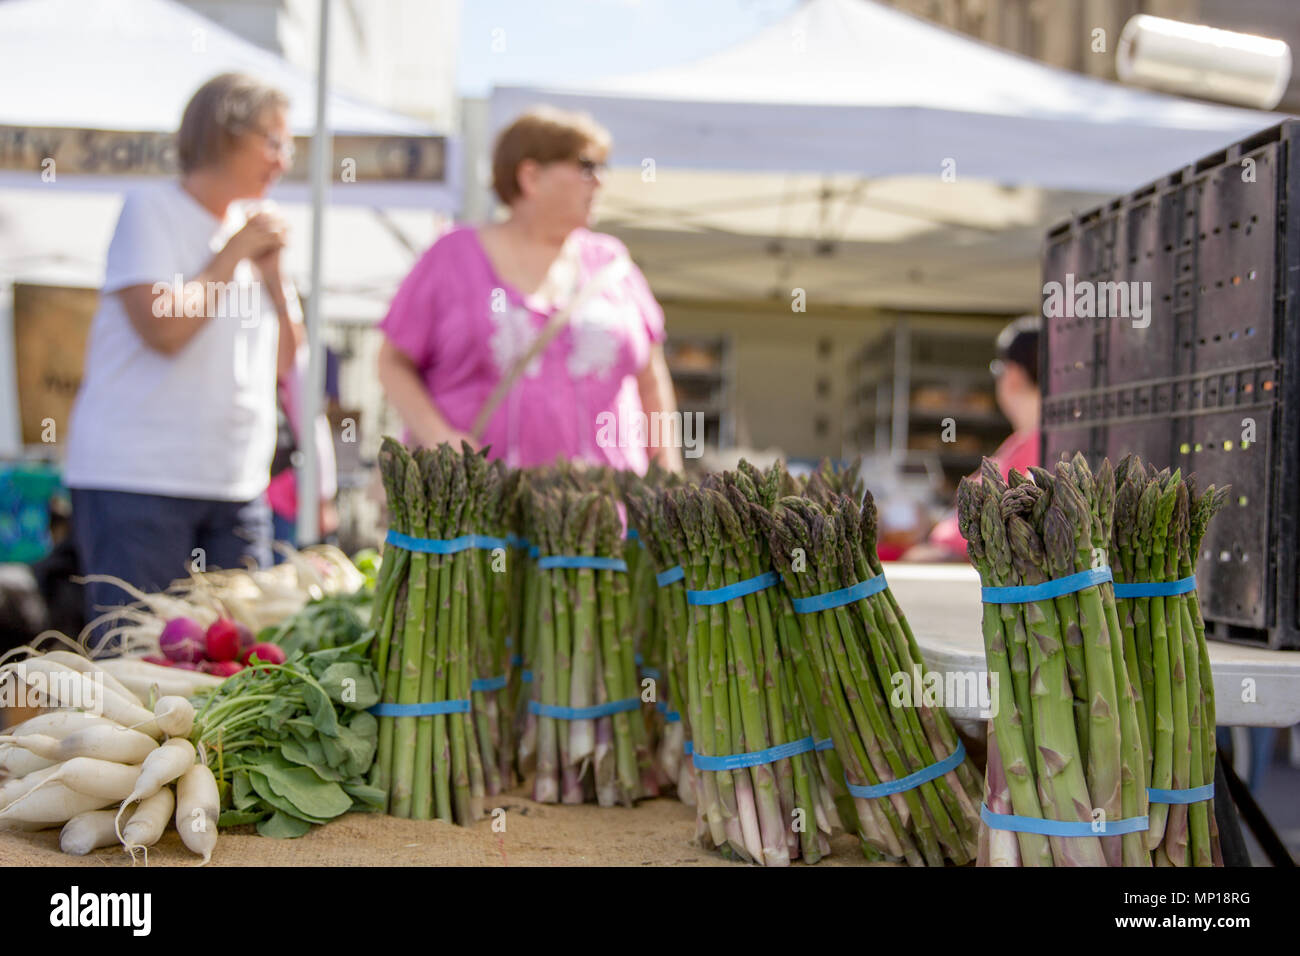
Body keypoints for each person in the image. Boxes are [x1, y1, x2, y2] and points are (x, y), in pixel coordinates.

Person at [64, 73, 305, 630]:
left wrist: (274, 277)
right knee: (138, 667)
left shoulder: (249, 235)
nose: (283, 160)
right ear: (226, 133)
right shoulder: (151, 209)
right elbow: (163, 330)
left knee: (242, 665)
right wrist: (233, 253)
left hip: (237, 485)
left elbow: (285, 366)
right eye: (273, 141)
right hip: (140, 481)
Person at [377, 107, 682, 473]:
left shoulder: (613, 263)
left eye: (603, 168)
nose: (600, 181)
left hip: (607, 514)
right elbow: (392, 361)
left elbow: (652, 380)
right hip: (483, 511)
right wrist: (437, 435)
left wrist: (668, 476)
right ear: (531, 176)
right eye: (586, 166)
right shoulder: (452, 257)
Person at [902, 315, 1041, 561]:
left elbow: (1006, 536)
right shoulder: (1021, 441)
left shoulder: (1041, 447)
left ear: (1013, 375)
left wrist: (936, 556)